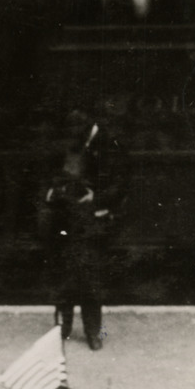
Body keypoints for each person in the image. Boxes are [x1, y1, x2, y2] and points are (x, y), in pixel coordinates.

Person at [38, 117, 123, 351]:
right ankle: (62, 329)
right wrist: (55, 191)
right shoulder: (66, 143)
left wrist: (97, 198)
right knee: (64, 277)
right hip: (65, 218)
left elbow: (119, 182)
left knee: (91, 279)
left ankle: (93, 332)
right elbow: (50, 175)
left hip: (91, 220)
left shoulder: (109, 143)